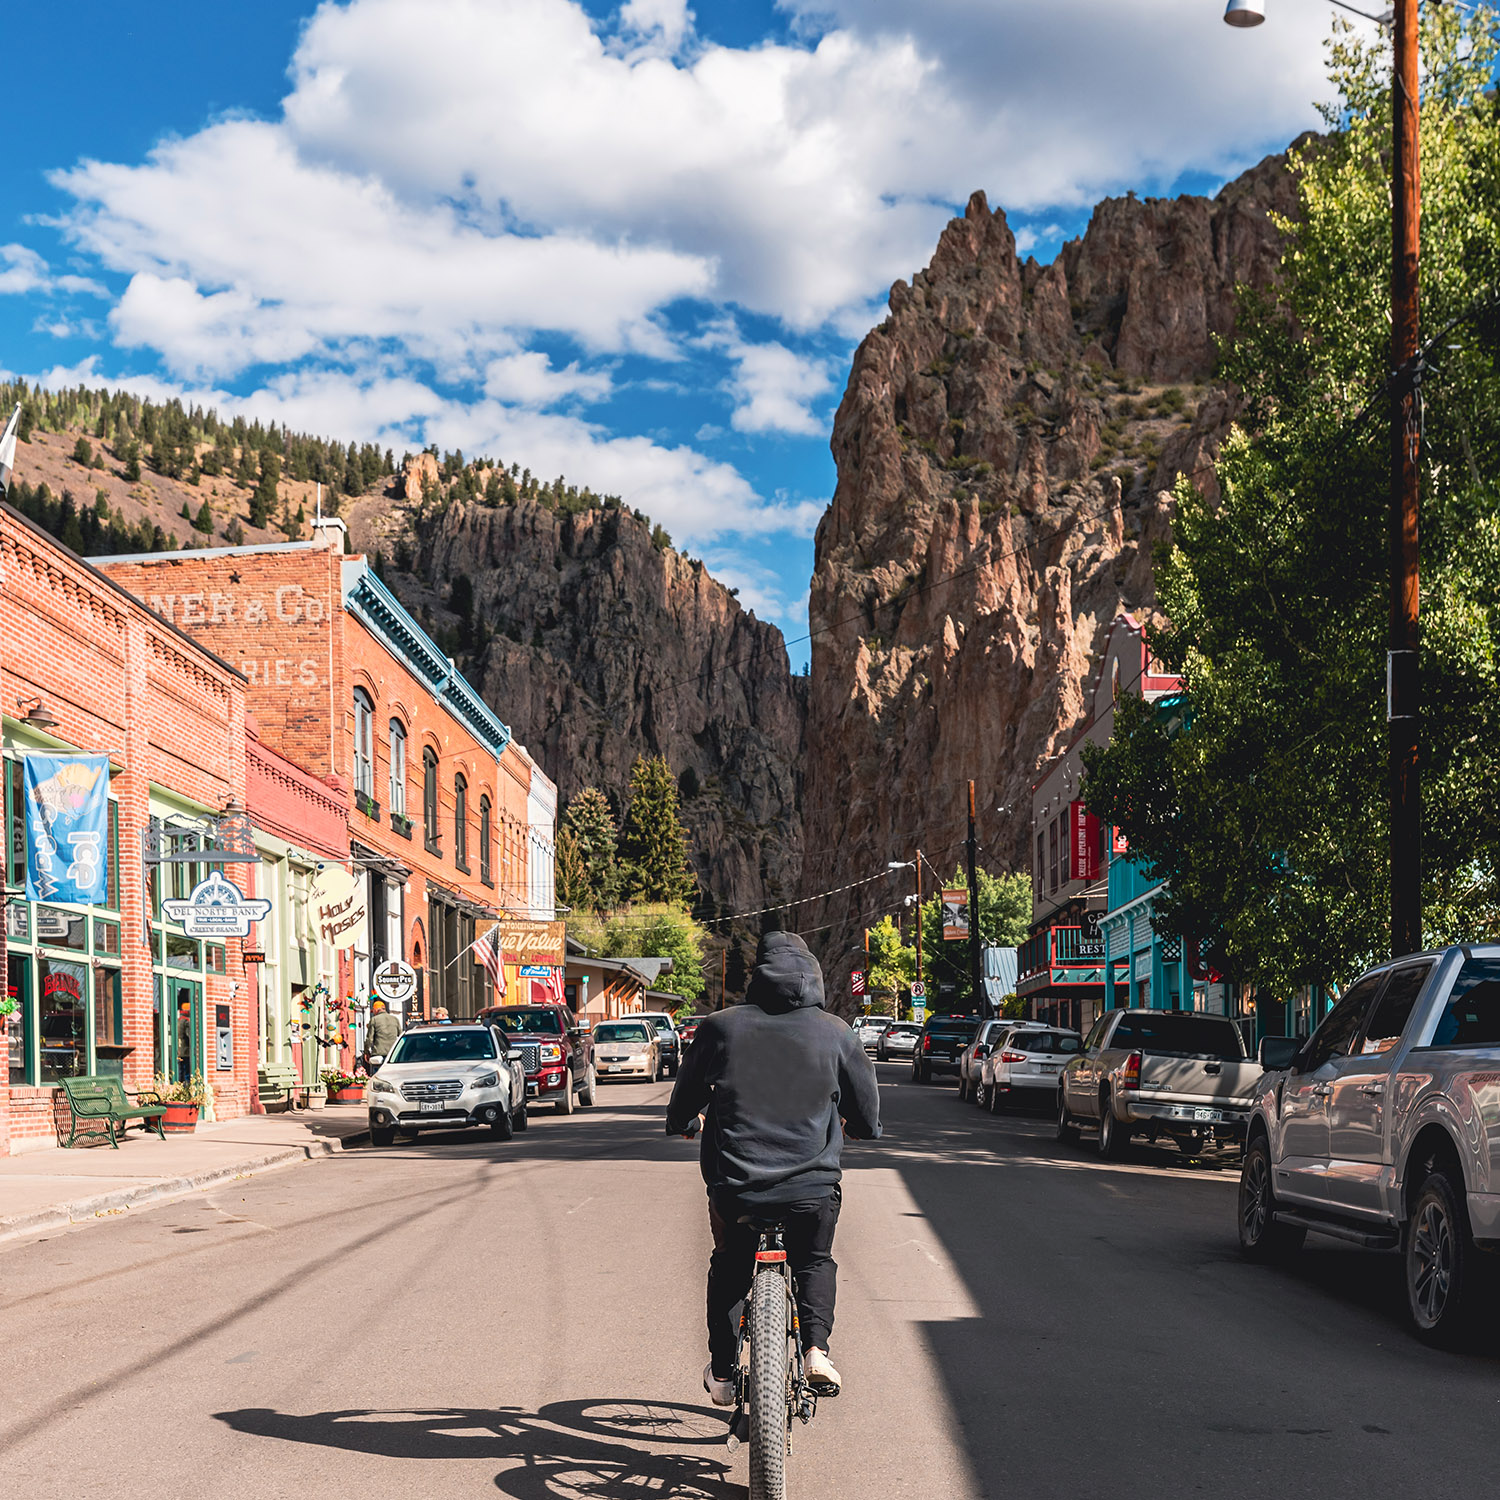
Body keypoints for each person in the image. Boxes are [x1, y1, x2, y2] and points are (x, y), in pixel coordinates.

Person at [665, 929, 880, 1406]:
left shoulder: (720, 1027)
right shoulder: (835, 1032)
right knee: (813, 1261)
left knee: (729, 1266)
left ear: (758, 975)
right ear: (813, 977)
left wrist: (683, 1122)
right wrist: (861, 1128)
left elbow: (684, 1099)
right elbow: (867, 1114)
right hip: (811, 1189)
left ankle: (722, 1374)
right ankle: (817, 1350)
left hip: (735, 1187)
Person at [364, 999, 402, 1070]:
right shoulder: (395, 1019)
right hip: (393, 1053)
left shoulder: (374, 1020)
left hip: (379, 1053)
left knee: (379, 1074)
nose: (373, 1013)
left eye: (373, 1011)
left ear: (376, 1010)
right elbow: (400, 1035)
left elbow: (370, 1039)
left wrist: (366, 1051)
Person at [175, 999, 193, 1084]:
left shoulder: (178, 1020)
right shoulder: (186, 1021)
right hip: (186, 1050)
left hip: (179, 1050)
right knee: (187, 1071)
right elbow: (189, 1035)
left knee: (180, 1070)